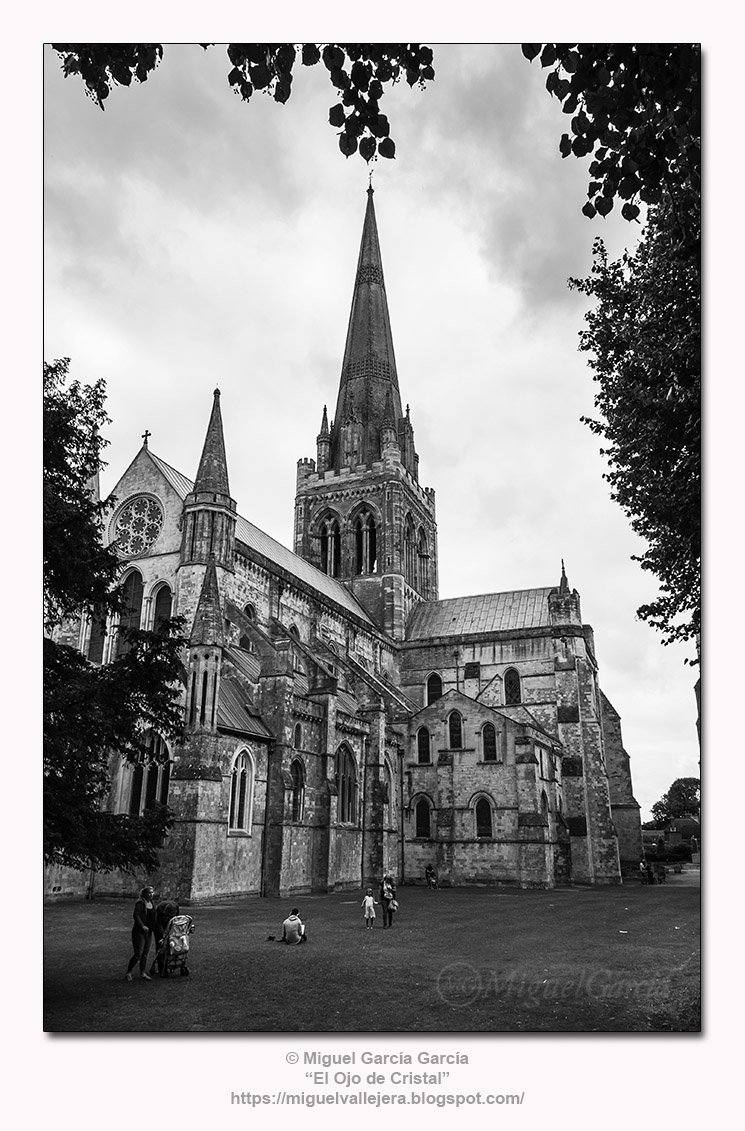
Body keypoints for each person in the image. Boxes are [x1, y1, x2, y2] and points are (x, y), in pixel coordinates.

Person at [125, 885, 157, 980]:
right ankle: (128, 972)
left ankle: (142, 972)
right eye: (149, 893)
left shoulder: (151, 903)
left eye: (152, 892)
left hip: (149, 932)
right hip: (139, 932)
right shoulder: (140, 903)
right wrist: (142, 926)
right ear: (144, 894)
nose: (151, 894)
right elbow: (136, 915)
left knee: (145, 954)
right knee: (138, 954)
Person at [150, 899, 180, 976]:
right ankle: (161, 965)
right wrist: (163, 936)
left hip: (169, 924)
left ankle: (170, 962)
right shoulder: (159, 908)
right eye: (167, 916)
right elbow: (158, 924)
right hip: (158, 924)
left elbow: (176, 920)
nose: (168, 918)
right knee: (160, 943)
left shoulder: (176, 906)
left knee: (172, 942)